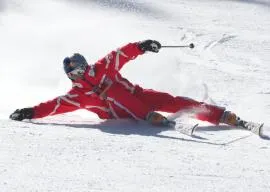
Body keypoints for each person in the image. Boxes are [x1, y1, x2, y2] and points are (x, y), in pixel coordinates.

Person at [9, 39, 244, 128]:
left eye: (81, 68)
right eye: (75, 72)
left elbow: (120, 54)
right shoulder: (76, 96)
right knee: (109, 91)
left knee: (169, 100)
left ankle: (217, 114)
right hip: (118, 112)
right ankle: (149, 117)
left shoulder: (102, 68)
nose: (80, 74)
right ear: (70, 75)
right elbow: (54, 106)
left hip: (139, 97)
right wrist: (30, 111)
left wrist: (141, 46)